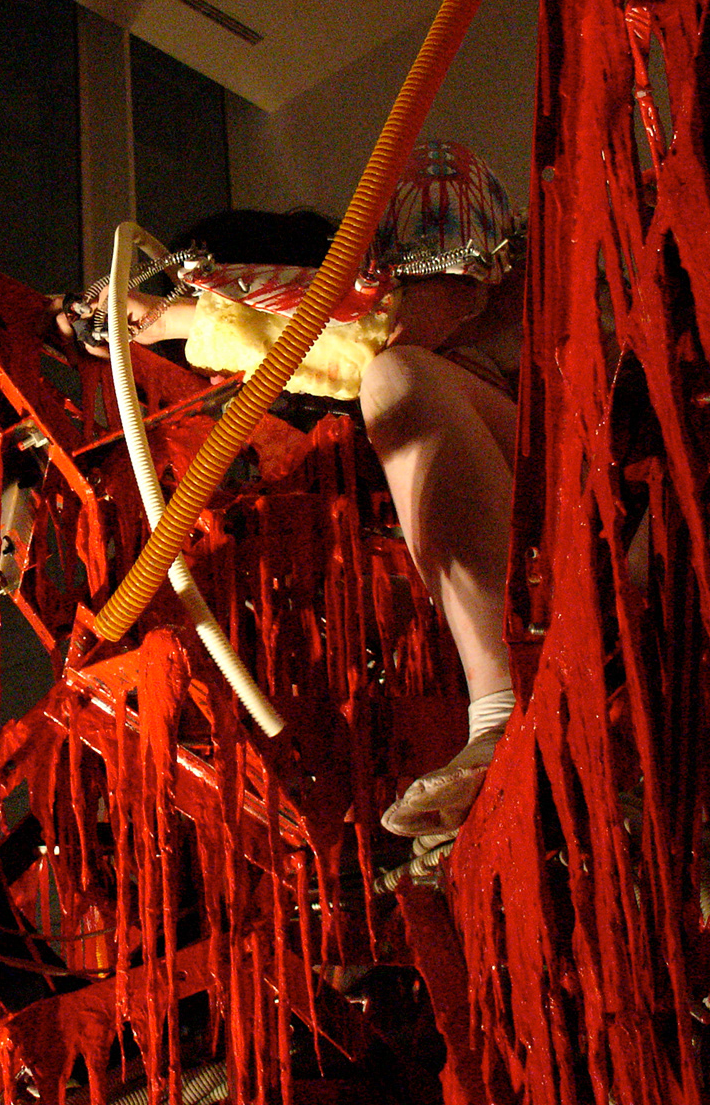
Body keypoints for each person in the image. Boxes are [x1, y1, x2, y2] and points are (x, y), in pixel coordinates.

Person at [61, 140, 522, 856]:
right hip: (530, 542)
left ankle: (499, 711)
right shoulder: (368, 446)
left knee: (398, 379)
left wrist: (173, 320)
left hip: (583, 491)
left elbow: (372, 333)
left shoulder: (441, 234)